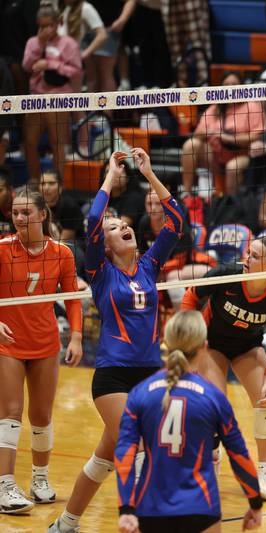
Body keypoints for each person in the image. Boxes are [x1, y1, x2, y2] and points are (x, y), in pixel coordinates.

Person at [47, 148, 182, 533]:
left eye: (125, 224)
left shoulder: (151, 263)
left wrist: (150, 174)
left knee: (103, 461)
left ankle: (66, 523)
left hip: (150, 373)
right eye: (114, 228)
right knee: (141, 444)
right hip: (113, 377)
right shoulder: (100, 272)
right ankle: (142, 521)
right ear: (104, 245)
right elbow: (92, 220)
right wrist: (110, 174)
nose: (124, 226)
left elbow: (176, 220)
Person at [115, 310, 263, 533]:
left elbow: (125, 453)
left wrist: (126, 508)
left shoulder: (140, 393)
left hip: (151, 510)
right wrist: (255, 503)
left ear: (165, 342)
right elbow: (238, 454)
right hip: (201, 508)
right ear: (204, 346)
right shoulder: (213, 397)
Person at [181, 235, 266, 500]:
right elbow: (190, 296)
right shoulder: (228, 273)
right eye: (247, 253)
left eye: (254, 256)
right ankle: (212, 458)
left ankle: (264, 471)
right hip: (213, 344)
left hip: (247, 348)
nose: (246, 259)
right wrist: (192, 341)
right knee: (216, 405)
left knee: (264, 401)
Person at [0, 188, 83, 514]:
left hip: (46, 342)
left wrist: (76, 337)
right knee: (10, 411)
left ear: (42, 214)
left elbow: (73, 298)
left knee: (42, 416)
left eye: (25, 212)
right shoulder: (3, 249)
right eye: (15, 213)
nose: (19, 218)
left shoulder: (61, 253)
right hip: (8, 342)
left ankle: (40, 479)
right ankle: (5, 486)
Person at [22, 4, 82, 183]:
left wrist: (51, 65)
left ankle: (58, 184)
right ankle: (34, 180)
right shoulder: (33, 42)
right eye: (42, 26)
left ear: (58, 23)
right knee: (30, 142)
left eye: (49, 25)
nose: (46, 29)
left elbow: (77, 72)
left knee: (58, 144)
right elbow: (26, 66)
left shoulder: (68, 44)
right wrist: (39, 44)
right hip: (36, 99)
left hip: (59, 99)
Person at [181, 71, 266, 196]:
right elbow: (197, 135)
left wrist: (229, 138)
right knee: (191, 145)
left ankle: (231, 205)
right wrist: (208, 132)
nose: (230, 88)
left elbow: (258, 136)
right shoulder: (215, 108)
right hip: (217, 156)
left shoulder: (252, 107)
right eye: (226, 84)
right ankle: (186, 194)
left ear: (242, 86)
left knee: (232, 167)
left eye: (234, 84)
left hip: (243, 155)